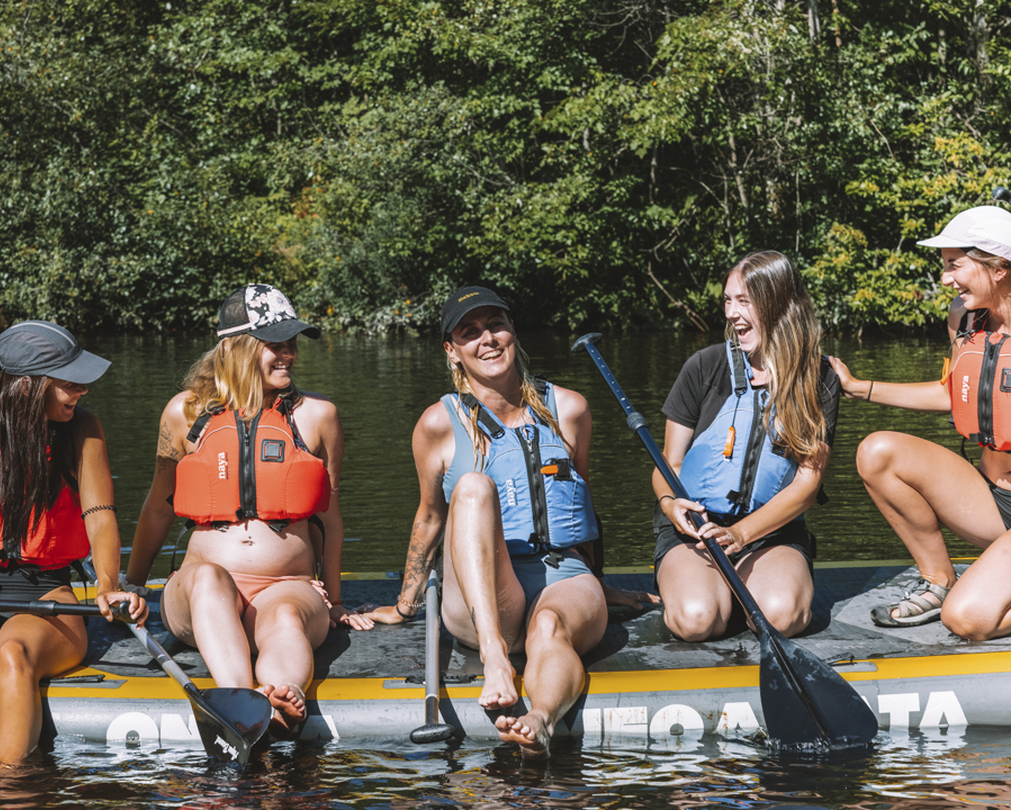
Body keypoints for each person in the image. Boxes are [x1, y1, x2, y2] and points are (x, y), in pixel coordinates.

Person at [366, 286, 608, 758]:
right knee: (473, 488)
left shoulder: (571, 409)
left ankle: (539, 719)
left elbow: (582, 502)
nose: (488, 339)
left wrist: (602, 583)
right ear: (452, 351)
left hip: (561, 575)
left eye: (495, 325)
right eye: (469, 332)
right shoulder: (438, 423)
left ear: (513, 330)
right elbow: (431, 516)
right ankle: (496, 657)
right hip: (485, 598)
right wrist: (405, 603)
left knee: (551, 626)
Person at [124, 284, 372, 734]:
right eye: (276, 345)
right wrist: (132, 585)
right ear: (237, 348)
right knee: (206, 577)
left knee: (284, 618)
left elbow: (330, 520)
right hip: (200, 594)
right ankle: (241, 699)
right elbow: (159, 508)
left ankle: (282, 692)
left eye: (292, 343)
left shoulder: (319, 416)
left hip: (288, 585)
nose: (289, 354)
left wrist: (334, 603)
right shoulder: (184, 414)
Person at [0, 321, 146, 781]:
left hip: (47, 593)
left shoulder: (83, 431)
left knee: (13, 655)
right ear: (30, 386)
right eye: (70, 382)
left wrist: (107, 583)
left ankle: (9, 778)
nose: (82, 391)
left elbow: (100, 512)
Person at [830, 205, 1011, 638]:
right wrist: (858, 387)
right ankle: (937, 580)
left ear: (999, 267)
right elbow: (955, 393)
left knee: (967, 620)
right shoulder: (963, 317)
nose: (946, 278)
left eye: (955, 266)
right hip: (992, 501)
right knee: (878, 452)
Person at [653, 251, 838, 642]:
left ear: (779, 304)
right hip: (697, 533)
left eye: (744, 301)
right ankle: (712, 591)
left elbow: (807, 486)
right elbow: (667, 463)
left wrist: (741, 534)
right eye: (727, 300)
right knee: (697, 619)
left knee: (782, 618)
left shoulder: (819, 377)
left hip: (772, 534)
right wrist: (671, 506)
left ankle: (748, 588)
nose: (731, 313)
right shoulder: (704, 367)